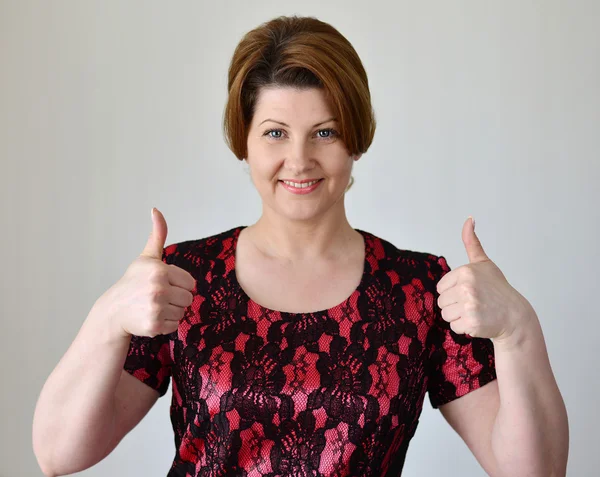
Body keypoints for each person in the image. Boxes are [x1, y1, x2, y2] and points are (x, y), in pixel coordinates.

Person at [32, 15, 499, 476]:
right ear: (245, 142)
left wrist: (518, 332)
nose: (299, 160)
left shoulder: (418, 289)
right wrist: (109, 316)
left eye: (325, 132)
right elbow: (59, 455)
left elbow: (531, 468)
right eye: (276, 133)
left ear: (355, 139)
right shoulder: (183, 278)